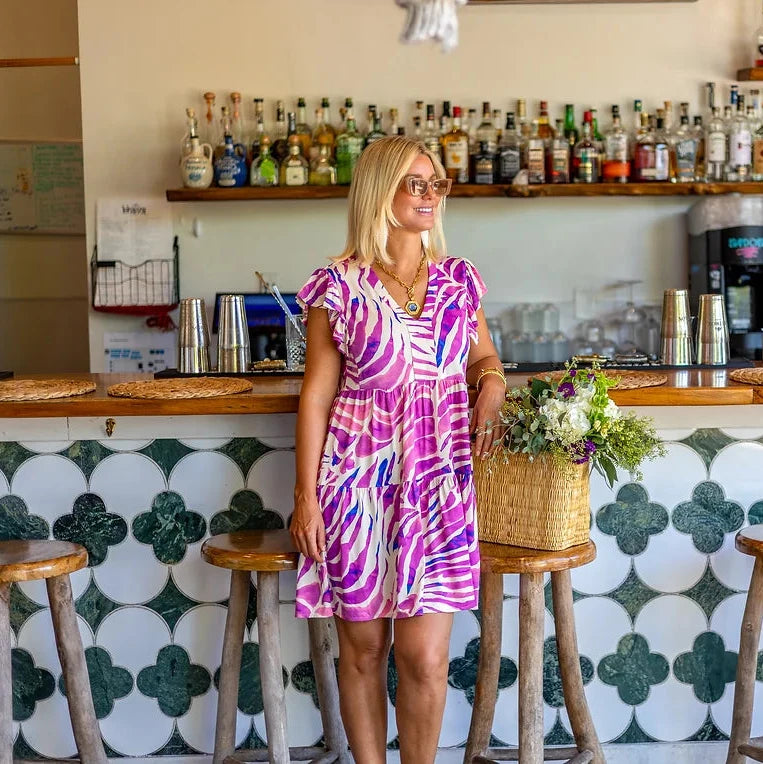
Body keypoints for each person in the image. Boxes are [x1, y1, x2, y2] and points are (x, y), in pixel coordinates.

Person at [290, 135, 506, 764]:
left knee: (426, 658)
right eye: (417, 182)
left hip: (439, 485)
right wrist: (307, 500)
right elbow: (315, 398)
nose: (431, 194)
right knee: (363, 652)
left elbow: (484, 355)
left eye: (437, 183)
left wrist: (490, 381)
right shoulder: (339, 287)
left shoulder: (457, 281)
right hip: (356, 488)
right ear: (380, 193)